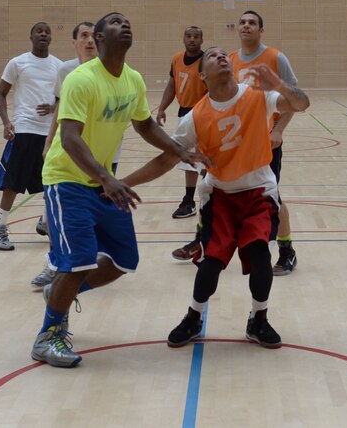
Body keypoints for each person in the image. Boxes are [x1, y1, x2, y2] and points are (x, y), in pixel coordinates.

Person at [31, 12, 209, 368]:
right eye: (114, 22)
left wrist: (179, 150)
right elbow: (68, 138)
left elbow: (144, 125)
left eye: (127, 21)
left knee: (123, 261)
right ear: (98, 38)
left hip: (102, 181)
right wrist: (107, 179)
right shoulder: (81, 79)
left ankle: (60, 294)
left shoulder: (133, 80)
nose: (124, 24)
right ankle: (48, 335)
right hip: (68, 180)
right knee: (79, 259)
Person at [123, 48, 309, 348]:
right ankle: (194, 317)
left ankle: (258, 320)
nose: (222, 57)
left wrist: (278, 84)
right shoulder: (196, 116)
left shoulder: (258, 96)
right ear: (202, 75)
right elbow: (165, 160)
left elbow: (301, 104)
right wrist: (121, 182)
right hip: (219, 195)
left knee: (261, 256)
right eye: (213, 56)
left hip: (259, 191)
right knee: (211, 263)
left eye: (225, 54)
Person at [173, 10, 301, 276]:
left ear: (261, 30)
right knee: (210, 190)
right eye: (242, 22)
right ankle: (202, 239)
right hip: (226, 143)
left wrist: (278, 130)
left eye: (252, 23)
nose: (246, 26)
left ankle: (287, 250)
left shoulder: (276, 58)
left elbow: (293, 97)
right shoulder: (228, 59)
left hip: (262, 141)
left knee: (274, 196)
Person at [30, 21, 98, 290]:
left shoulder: (110, 71)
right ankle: (55, 263)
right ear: (74, 42)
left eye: (94, 36)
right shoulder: (66, 70)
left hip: (100, 155)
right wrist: (48, 141)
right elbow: (60, 107)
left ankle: (88, 265)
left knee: (93, 213)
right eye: (84, 35)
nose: (90, 40)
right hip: (67, 150)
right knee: (59, 214)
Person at [0, 22, 62, 251]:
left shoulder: (59, 67)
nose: (43, 34)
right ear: (31, 36)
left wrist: (52, 108)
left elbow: (62, 99)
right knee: (13, 182)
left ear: (51, 38)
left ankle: (46, 222)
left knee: (52, 180)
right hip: (24, 128)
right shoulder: (18, 63)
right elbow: (1, 94)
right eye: (39, 31)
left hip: (49, 132)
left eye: (47, 31)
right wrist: (6, 122)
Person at [157, 26, 207, 219]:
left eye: (196, 36)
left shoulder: (206, 61)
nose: (192, 39)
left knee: (204, 159)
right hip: (184, 114)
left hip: (202, 114)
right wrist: (162, 108)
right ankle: (189, 200)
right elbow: (172, 85)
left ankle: (208, 198)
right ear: (183, 38)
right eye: (189, 36)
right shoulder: (177, 58)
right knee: (188, 160)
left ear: (202, 40)